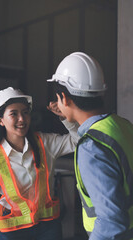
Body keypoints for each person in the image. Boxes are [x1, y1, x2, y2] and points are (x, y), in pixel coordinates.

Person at [0, 87, 79, 240]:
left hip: (49, 228)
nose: (22, 119)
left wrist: (66, 118)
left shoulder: (45, 143)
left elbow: (78, 141)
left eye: (25, 112)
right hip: (14, 232)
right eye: (13, 114)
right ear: (0, 120)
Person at [47, 52, 133, 239]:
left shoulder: (91, 147)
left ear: (64, 97)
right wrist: (68, 117)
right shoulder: (122, 125)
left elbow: (111, 221)